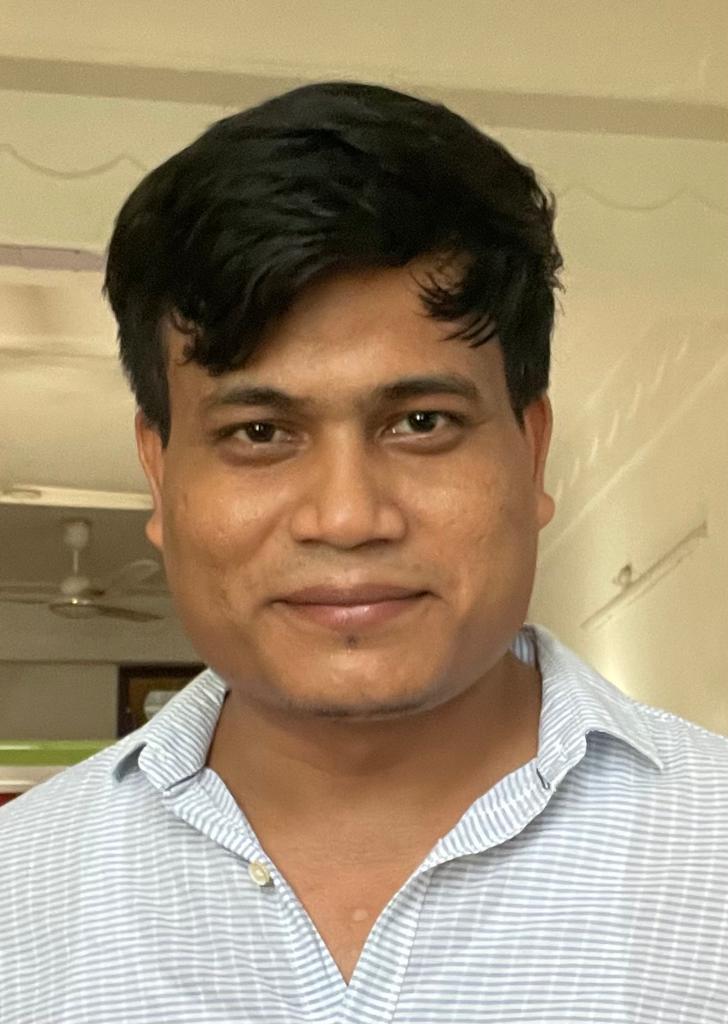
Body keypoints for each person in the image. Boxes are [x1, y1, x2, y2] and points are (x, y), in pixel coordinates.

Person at [1, 81, 726, 1023]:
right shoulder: (22, 896)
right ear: (158, 473)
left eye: (422, 421)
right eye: (259, 433)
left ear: (532, 449)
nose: (346, 518)